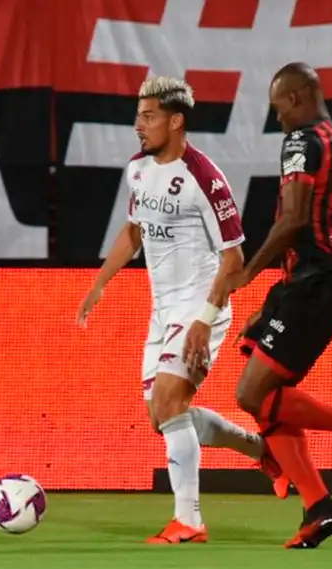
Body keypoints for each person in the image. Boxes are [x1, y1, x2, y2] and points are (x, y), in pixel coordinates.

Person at [188, 62, 332, 549]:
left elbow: (294, 220)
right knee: (260, 392)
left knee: (251, 395)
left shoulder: (302, 141)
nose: (278, 120)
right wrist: (271, 298)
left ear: (297, 97)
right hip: (314, 281)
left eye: (279, 108)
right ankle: (319, 507)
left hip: (315, 284)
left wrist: (246, 273)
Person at [78, 76, 288, 544]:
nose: (139, 125)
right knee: (162, 416)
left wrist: (204, 320)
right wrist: (99, 284)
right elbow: (133, 232)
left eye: (148, 116)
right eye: (138, 116)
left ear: (175, 121)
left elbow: (233, 260)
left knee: (171, 403)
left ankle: (189, 521)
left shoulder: (206, 179)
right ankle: (263, 451)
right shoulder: (138, 169)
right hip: (162, 310)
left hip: (200, 307)